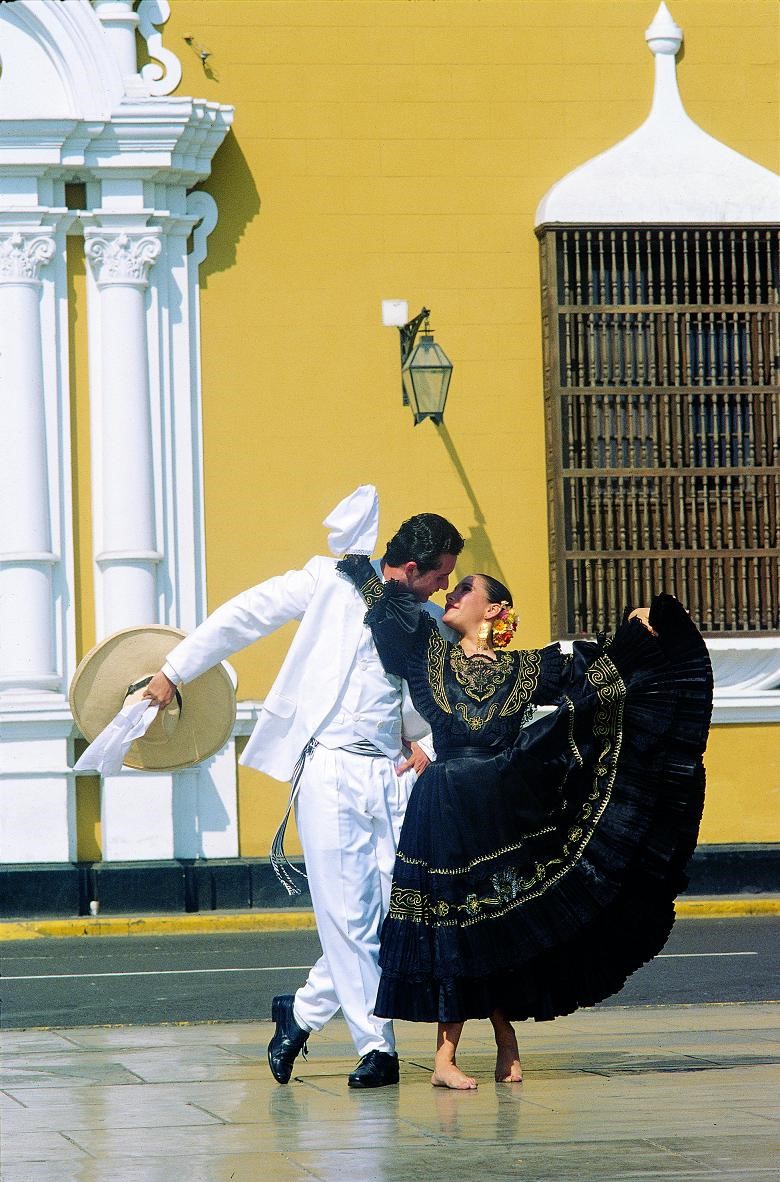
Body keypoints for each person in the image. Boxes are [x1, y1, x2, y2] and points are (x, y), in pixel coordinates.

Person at [335, 557, 713, 1090]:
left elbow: (598, 677)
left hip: (500, 805)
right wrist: (365, 576)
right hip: (442, 808)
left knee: (499, 925)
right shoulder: (429, 655)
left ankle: (507, 1040)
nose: (452, 593)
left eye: (465, 588)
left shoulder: (526, 669)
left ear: (494, 609)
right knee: (450, 930)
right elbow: (391, 621)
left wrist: (638, 633)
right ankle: (444, 1058)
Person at [141, 486, 464, 1089]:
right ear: (413, 566)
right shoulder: (329, 583)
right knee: (346, 915)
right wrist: (171, 672)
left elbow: (453, 701)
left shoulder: (424, 624)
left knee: (402, 912)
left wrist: (430, 746)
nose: (445, 590)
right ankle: (378, 1047)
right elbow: (244, 615)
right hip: (329, 767)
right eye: (440, 577)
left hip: (393, 772)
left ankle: (302, 1011)